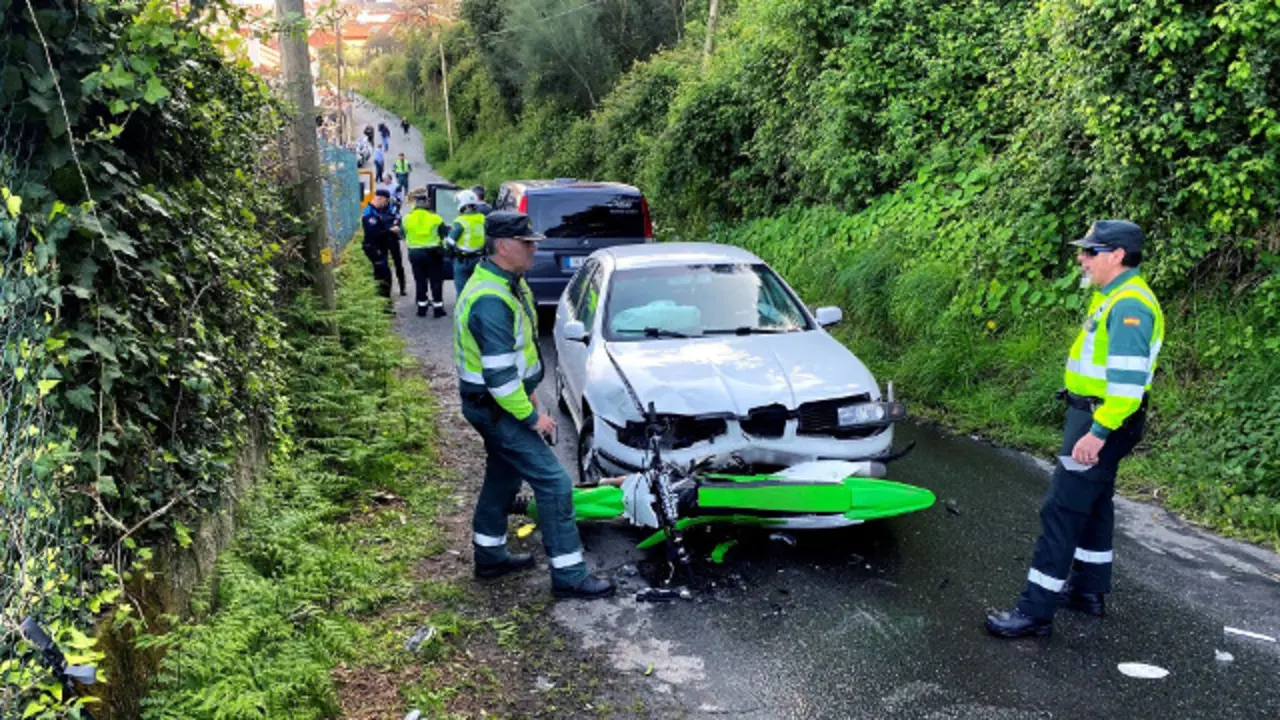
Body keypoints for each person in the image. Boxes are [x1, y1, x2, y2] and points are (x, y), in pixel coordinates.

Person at [986, 220, 1165, 639]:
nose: (1082, 259)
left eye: (1091, 251)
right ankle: (1088, 590)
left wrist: (1097, 433)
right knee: (1095, 502)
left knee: (1062, 509)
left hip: (1103, 418)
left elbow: (1126, 388)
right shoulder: (1115, 296)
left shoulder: (1130, 306)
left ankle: (1034, 611)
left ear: (1117, 255)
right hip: (1100, 415)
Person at [454, 210, 615, 600]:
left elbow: (518, 356)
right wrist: (532, 418)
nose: (534, 249)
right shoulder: (491, 299)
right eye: (527, 243)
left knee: (503, 477)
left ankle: (490, 556)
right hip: (496, 408)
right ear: (503, 247)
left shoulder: (509, 283)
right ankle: (569, 576)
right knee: (555, 484)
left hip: (497, 403)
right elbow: (499, 377)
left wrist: (531, 392)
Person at [403, 189, 447, 318]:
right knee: (436, 280)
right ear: (427, 203)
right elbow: (444, 233)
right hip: (433, 252)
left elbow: (401, 234)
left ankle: (421, 308)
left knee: (420, 279)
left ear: (415, 204)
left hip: (415, 253)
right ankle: (438, 309)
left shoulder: (407, 218)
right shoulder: (436, 218)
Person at [360, 189, 401, 306]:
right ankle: (385, 304)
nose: (386, 204)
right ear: (381, 198)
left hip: (379, 246)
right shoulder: (369, 212)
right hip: (373, 247)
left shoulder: (375, 210)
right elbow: (373, 233)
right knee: (385, 276)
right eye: (386, 201)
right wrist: (390, 230)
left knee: (380, 274)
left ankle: (381, 302)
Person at [445, 190, 487, 295]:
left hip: (462, 261)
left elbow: (449, 243)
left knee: (462, 292)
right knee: (478, 290)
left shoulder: (460, 221)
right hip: (480, 259)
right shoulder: (483, 218)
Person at [376, 174, 407, 296]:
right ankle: (385, 291)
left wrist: (395, 225)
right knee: (382, 265)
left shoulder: (393, 208)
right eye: (377, 197)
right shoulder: (374, 209)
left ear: (386, 199)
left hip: (392, 239)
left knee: (398, 263)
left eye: (380, 198)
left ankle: (402, 288)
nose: (378, 200)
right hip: (381, 239)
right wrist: (389, 228)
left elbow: (398, 220)